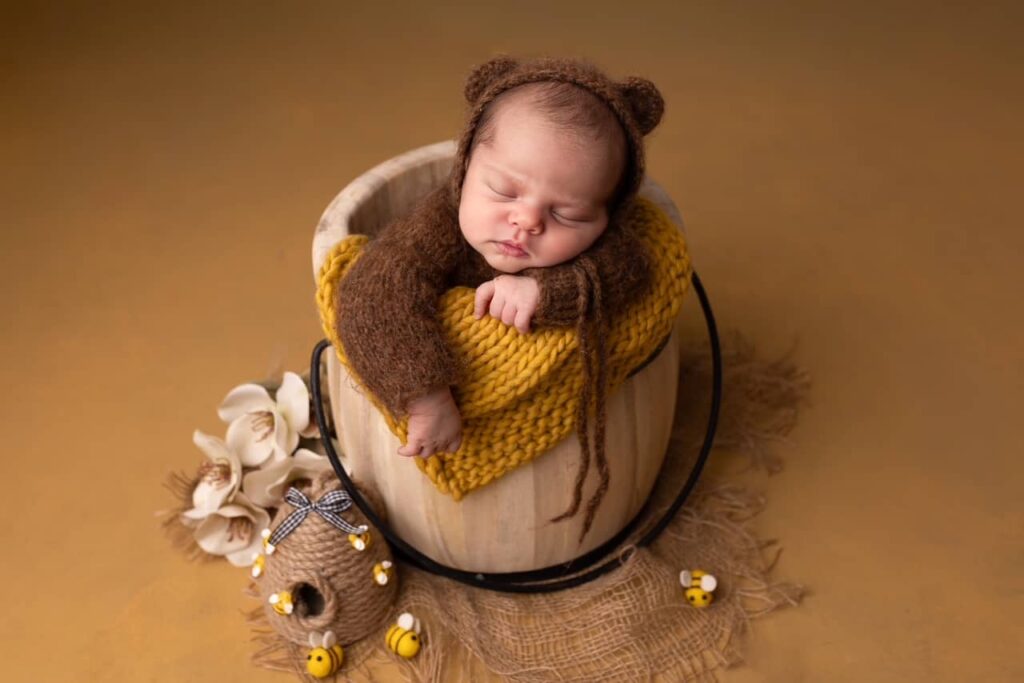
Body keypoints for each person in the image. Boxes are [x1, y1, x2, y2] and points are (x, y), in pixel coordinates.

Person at [335, 56, 664, 533]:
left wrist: (546, 291)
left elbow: (630, 268)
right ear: (465, 168)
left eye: (567, 215)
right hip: (437, 390)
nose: (527, 221)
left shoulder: (607, 241)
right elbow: (374, 295)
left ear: (607, 216)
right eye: (504, 191)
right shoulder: (437, 224)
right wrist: (427, 397)